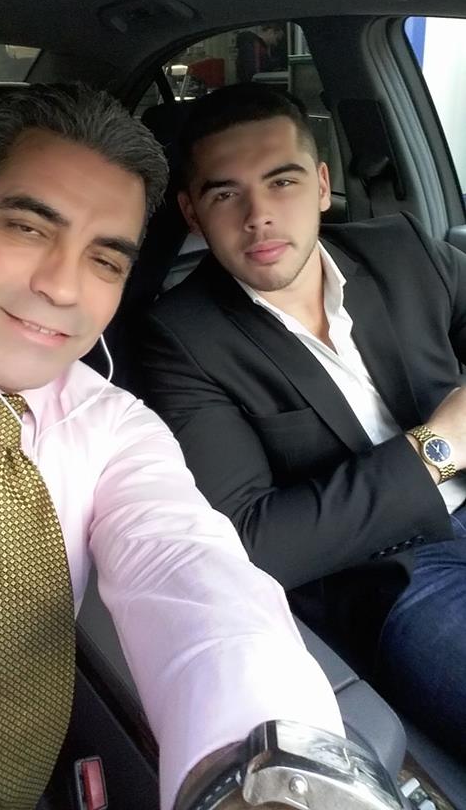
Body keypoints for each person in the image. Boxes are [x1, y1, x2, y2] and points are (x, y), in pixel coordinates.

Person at [0, 83, 346, 810]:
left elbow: (188, 568)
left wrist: (270, 775)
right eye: (27, 227)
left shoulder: (112, 425)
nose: (62, 287)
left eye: (105, 261)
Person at [140, 82, 466, 757]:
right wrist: (440, 447)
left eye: (281, 181)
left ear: (320, 185)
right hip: (393, 575)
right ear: (192, 212)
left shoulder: (400, 248)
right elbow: (255, 542)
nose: (258, 216)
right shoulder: (181, 338)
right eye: (225, 194)